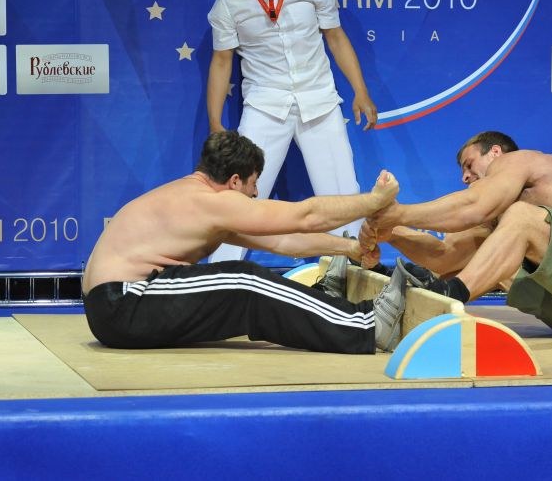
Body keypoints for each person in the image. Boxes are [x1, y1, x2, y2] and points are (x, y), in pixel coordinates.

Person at [81, 131, 406, 353]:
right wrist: (374, 201)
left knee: (244, 280)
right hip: (122, 303)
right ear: (234, 180)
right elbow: (305, 216)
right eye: (253, 184)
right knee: (244, 281)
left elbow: (282, 241)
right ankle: (366, 323)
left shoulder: (202, 204)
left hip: (113, 309)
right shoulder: (208, 201)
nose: (254, 194)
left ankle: (353, 319)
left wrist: (349, 248)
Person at [359, 131, 552, 338]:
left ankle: (446, 300)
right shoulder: (503, 225)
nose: (465, 177)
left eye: (469, 164)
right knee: (488, 250)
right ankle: (436, 294)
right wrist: (392, 232)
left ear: (495, 152)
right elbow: (444, 258)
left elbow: (475, 206)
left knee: (519, 217)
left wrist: (400, 212)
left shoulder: (521, 161)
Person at [206, 0, 377, 261]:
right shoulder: (229, 1)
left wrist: (360, 91)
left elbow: (336, 38)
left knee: (343, 196)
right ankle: (219, 278)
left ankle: (351, 274)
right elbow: (221, 62)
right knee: (239, 199)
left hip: (320, 102)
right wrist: (216, 124)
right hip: (265, 107)